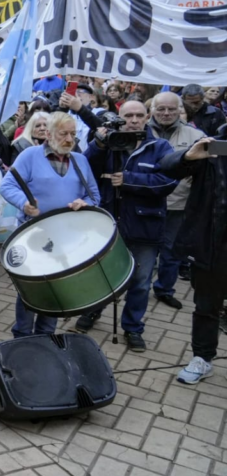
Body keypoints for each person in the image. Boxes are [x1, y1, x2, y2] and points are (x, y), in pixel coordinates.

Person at [77, 100, 176, 351]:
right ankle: (92, 311)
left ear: (147, 117)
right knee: (100, 275)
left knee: (141, 281)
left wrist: (129, 179)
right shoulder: (109, 142)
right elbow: (84, 168)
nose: (133, 120)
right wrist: (99, 144)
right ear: (118, 117)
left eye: (139, 115)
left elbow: (168, 181)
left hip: (145, 226)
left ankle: (132, 328)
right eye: (128, 115)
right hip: (108, 223)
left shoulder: (160, 146)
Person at [0, 111, 99, 338]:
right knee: (31, 286)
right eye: (63, 133)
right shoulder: (30, 156)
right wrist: (24, 204)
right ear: (49, 134)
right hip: (32, 233)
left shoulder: (80, 160)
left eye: (73, 134)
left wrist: (83, 202)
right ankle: (23, 335)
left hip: (66, 236)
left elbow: (94, 195)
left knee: (57, 286)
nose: (69, 139)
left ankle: (46, 334)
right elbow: (8, 186)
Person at [160, 133, 227, 384]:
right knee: (207, 306)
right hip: (211, 244)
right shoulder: (212, 147)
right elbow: (167, 167)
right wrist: (188, 156)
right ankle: (202, 358)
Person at [149, 92, 204, 303]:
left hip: (178, 204)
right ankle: (135, 288)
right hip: (145, 202)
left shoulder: (195, 136)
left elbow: (203, 170)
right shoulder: (138, 131)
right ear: (152, 109)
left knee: (172, 252)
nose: (166, 113)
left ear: (180, 110)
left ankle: (164, 290)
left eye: (172, 109)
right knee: (143, 251)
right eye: (161, 108)